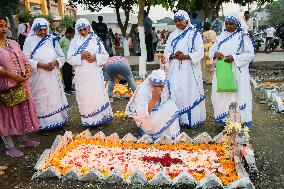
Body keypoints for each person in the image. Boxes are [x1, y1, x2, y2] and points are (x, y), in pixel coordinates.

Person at [0, 16, 39, 157]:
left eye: (5, 26)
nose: (4, 29)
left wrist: (28, 70)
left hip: (21, 84)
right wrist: (11, 75)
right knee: (6, 115)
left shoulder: (13, 43)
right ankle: (9, 146)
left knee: (22, 111)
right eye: (0, 26)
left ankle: (23, 139)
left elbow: (24, 59)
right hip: (5, 86)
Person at [209, 12, 255, 126]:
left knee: (236, 95)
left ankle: (237, 122)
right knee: (222, 95)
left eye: (231, 24)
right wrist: (215, 54)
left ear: (237, 24)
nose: (228, 26)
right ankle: (224, 121)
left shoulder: (243, 37)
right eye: (227, 24)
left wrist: (234, 58)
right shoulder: (220, 37)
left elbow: (250, 54)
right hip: (222, 71)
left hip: (236, 71)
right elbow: (211, 51)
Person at [23, 18, 68, 130]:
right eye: (40, 30)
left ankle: (59, 121)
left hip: (53, 76)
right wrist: (40, 65)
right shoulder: (29, 41)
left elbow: (62, 56)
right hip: (38, 77)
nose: (43, 32)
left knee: (55, 98)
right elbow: (25, 59)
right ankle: (44, 125)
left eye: (44, 29)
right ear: (34, 30)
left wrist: (55, 62)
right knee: (42, 100)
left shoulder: (53, 39)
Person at [67, 18, 113, 126]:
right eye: (80, 30)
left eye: (85, 29)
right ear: (77, 30)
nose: (83, 32)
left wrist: (95, 57)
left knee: (96, 96)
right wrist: (80, 56)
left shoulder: (95, 39)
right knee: (85, 97)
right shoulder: (74, 41)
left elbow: (105, 55)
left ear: (89, 28)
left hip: (95, 75)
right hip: (82, 76)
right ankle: (88, 120)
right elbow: (69, 59)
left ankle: (100, 118)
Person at [164, 10, 206, 128]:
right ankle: (177, 120)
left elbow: (200, 52)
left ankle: (190, 120)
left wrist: (186, 57)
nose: (178, 23)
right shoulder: (172, 35)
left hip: (189, 71)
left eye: (180, 20)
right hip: (175, 70)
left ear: (186, 20)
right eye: (176, 21)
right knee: (176, 92)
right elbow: (166, 52)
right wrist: (173, 55)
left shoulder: (194, 33)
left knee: (188, 92)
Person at [126, 69, 180, 140]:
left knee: (173, 106)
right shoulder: (143, 90)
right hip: (147, 115)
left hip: (160, 109)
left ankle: (170, 134)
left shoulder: (166, 85)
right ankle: (155, 134)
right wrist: (154, 99)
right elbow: (142, 113)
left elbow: (170, 99)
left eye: (161, 86)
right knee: (154, 122)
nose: (158, 88)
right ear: (150, 83)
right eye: (155, 86)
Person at [59, 27, 75, 95]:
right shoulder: (62, 39)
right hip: (64, 60)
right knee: (66, 74)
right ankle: (66, 89)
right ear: (68, 33)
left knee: (70, 74)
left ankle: (70, 86)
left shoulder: (71, 39)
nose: (72, 35)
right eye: (71, 34)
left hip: (70, 60)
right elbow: (58, 48)